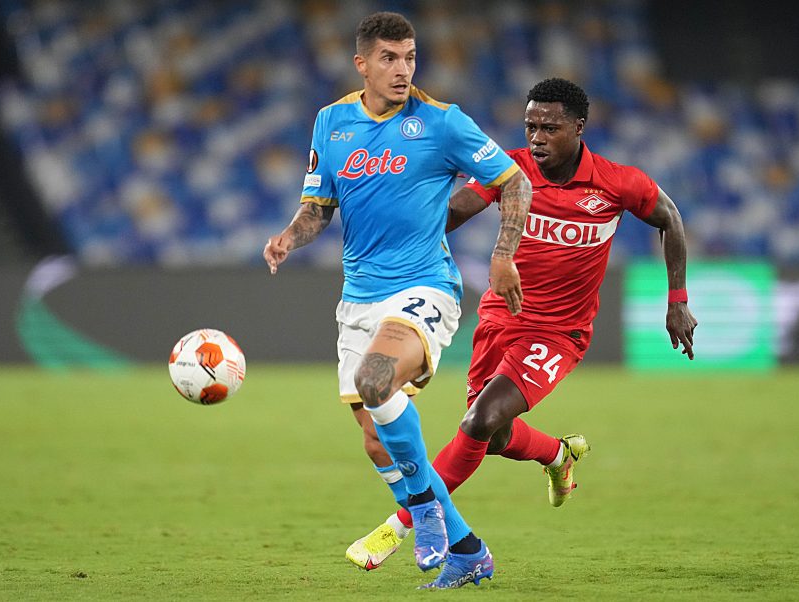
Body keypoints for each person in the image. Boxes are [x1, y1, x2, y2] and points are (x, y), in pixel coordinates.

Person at [346, 77, 698, 570]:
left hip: (559, 333)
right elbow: (455, 211)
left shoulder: (617, 182)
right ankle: (557, 454)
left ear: (579, 127)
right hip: (500, 319)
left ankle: (401, 525)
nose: (537, 138)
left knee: (478, 421)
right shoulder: (509, 170)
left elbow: (670, 218)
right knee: (490, 436)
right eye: (531, 126)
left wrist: (677, 299)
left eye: (550, 128)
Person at [262, 12, 532, 589]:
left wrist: (503, 254)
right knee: (374, 438)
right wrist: (289, 236)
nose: (403, 69)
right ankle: (467, 549)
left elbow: (514, 181)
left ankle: (424, 511)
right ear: (361, 63)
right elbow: (317, 209)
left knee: (376, 377)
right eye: (389, 58)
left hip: (425, 284)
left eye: (410, 57)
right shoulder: (332, 122)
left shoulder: (442, 122)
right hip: (359, 295)